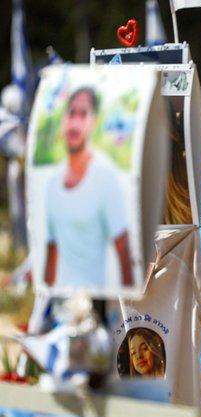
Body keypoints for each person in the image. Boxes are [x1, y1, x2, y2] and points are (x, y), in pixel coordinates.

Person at [44, 86, 133, 288]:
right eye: (71, 112)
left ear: (93, 122)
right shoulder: (53, 182)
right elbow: (51, 254)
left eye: (83, 114)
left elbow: (124, 255)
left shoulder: (105, 178)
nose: (75, 122)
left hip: (95, 304)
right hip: (61, 305)